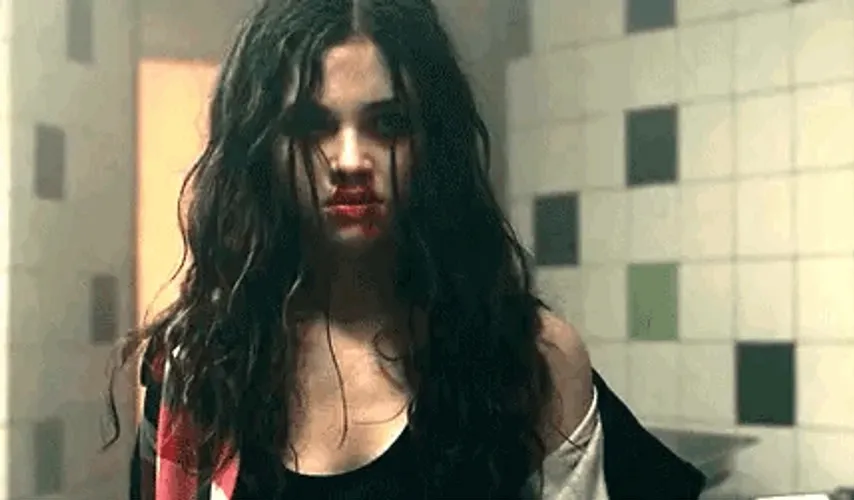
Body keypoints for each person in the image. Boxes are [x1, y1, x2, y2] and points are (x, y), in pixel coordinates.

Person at [108, 0, 706, 498]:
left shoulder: (529, 361)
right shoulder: (198, 368)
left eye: (388, 123)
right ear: (262, 148)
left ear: (432, 141)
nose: (350, 160)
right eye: (313, 125)